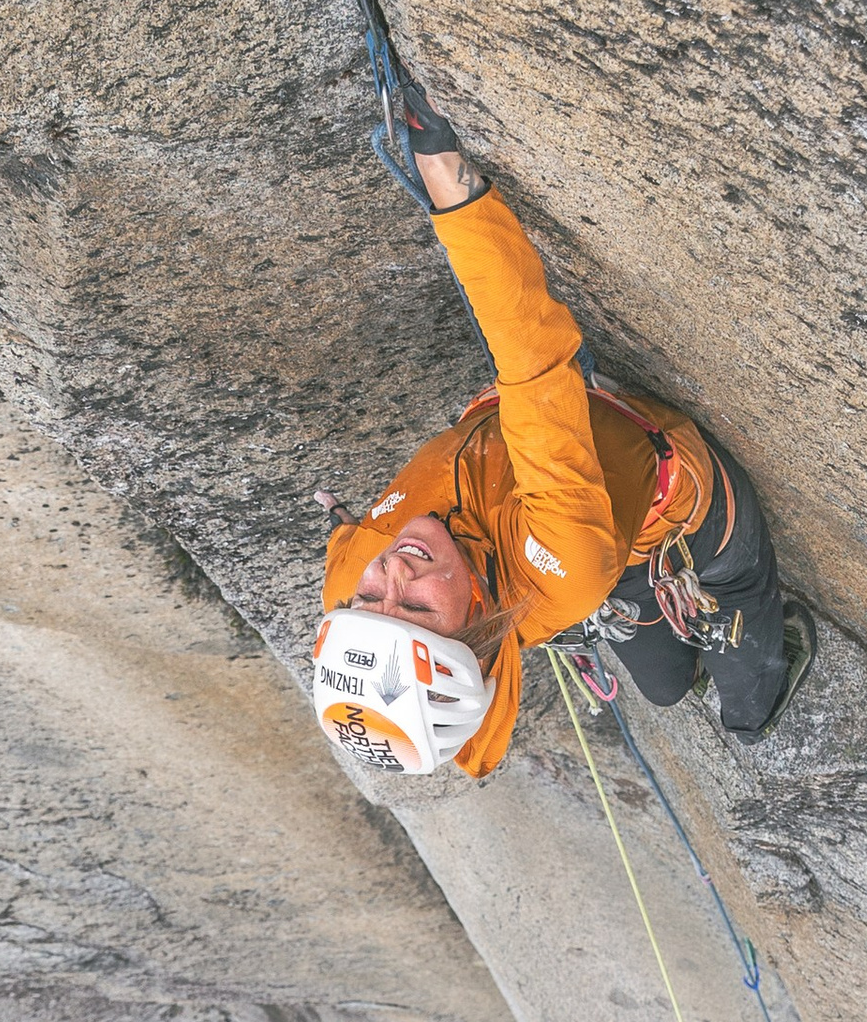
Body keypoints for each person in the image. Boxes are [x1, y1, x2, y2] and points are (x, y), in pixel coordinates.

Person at [313, 93, 814, 779]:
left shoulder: (353, 577)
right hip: (680, 517)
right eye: (418, 607)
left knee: (663, 685)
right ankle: (753, 719)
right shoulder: (562, 566)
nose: (391, 572)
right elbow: (534, 362)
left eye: (370, 600)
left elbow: (352, 556)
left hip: (599, 562)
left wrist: (356, 555)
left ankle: (694, 693)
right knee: (742, 607)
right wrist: (452, 188)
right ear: (483, 622)